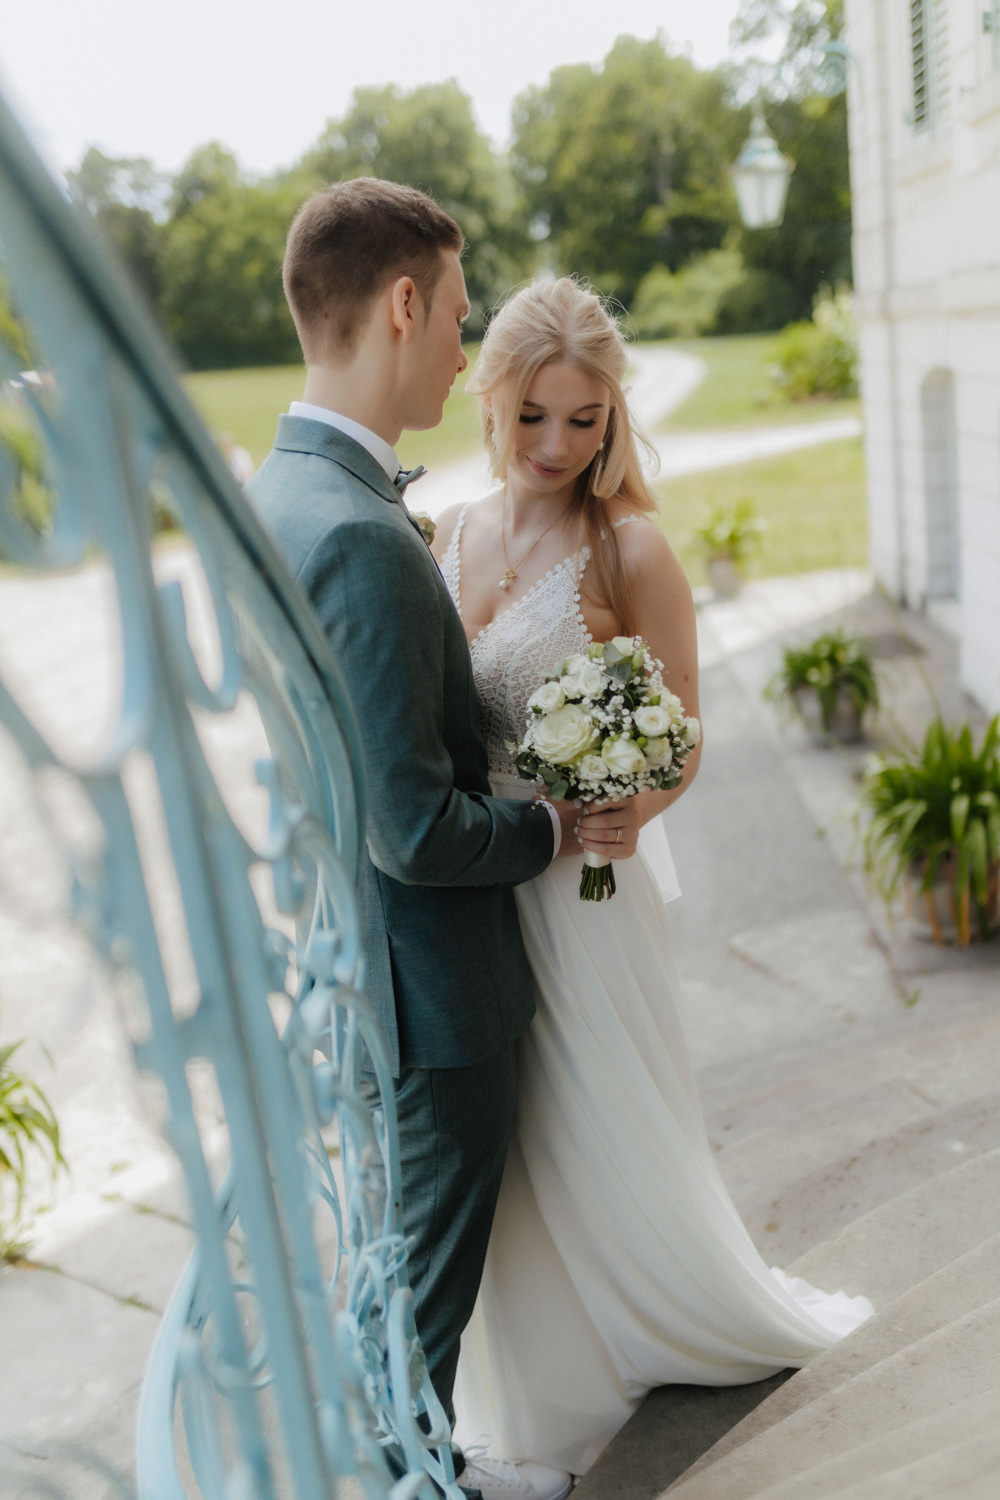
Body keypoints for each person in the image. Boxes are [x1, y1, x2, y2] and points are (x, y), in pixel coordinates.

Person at [431, 276, 874, 1489]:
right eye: (533, 417)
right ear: (491, 398)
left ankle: (665, 1306)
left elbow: (683, 732)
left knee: (600, 1113)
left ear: (613, 419)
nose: (556, 447)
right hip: (483, 880)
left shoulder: (626, 546)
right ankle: (544, 1354)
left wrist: (638, 806)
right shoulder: (451, 533)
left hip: (588, 889)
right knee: (513, 1136)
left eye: (583, 421)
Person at [247, 183, 631, 1500]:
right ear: (402, 304)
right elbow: (410, 825)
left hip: (352, 972)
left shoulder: (280, 491)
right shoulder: (361, 538)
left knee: (387, 1275)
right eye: (459, 315)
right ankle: (422, 1487)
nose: (465, 349)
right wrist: (542, 824)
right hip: (430, 996)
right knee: (417, 1299)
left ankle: (429, 1467)